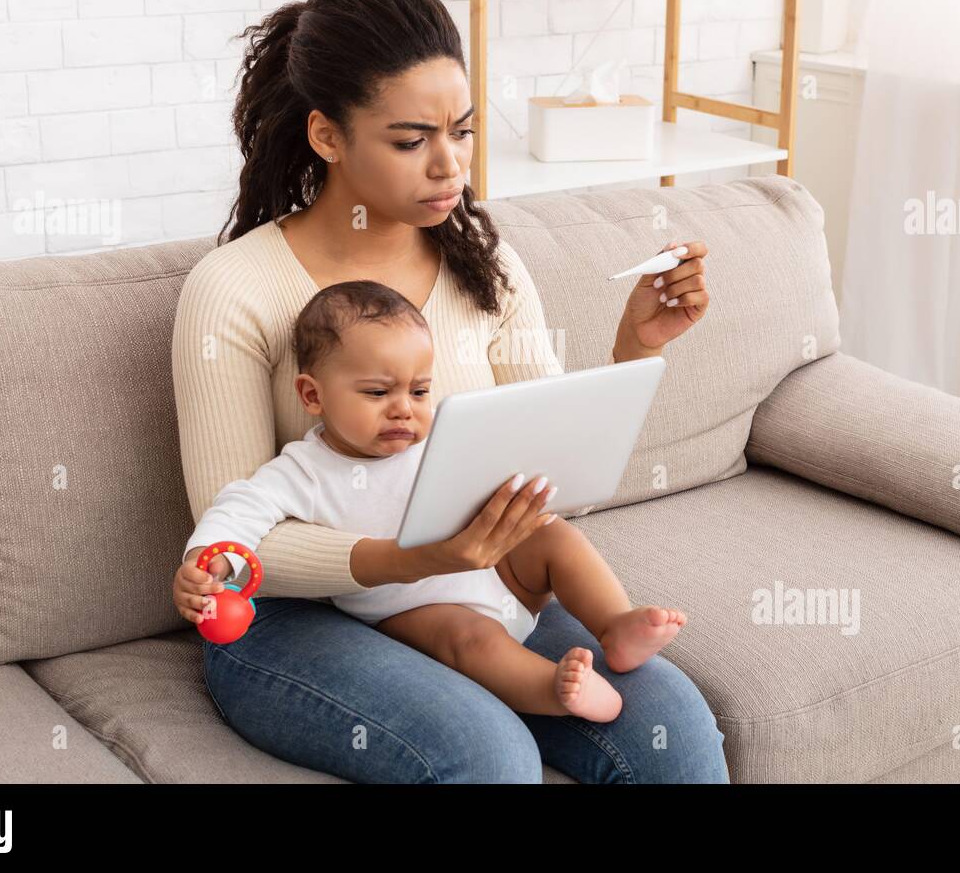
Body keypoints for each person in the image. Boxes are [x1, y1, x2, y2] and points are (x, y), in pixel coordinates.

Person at [170, 0, 723, 783]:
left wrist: (635, 350)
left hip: (470, 584)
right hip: (287, 619)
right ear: (328, 136)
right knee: (487, 757)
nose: (448, 166)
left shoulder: (483, 261)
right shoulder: (234, 290)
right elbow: (237, 544)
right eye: (409, 140)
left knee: (673, 725)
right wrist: (412, 557)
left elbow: (555, 487)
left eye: (461, 132)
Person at [181, 279, 689, 724]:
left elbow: (542, 454)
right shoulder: (303, 471)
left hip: (503, 576)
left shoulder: (446, 437)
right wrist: (210, 563)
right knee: (470, 640)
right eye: (378, 393)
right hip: (418, 608)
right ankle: (555, 691)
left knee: (554, 536)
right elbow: (238, 509)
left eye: (420, 390)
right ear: (312, 396)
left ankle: (613, 624)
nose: (404, 409)